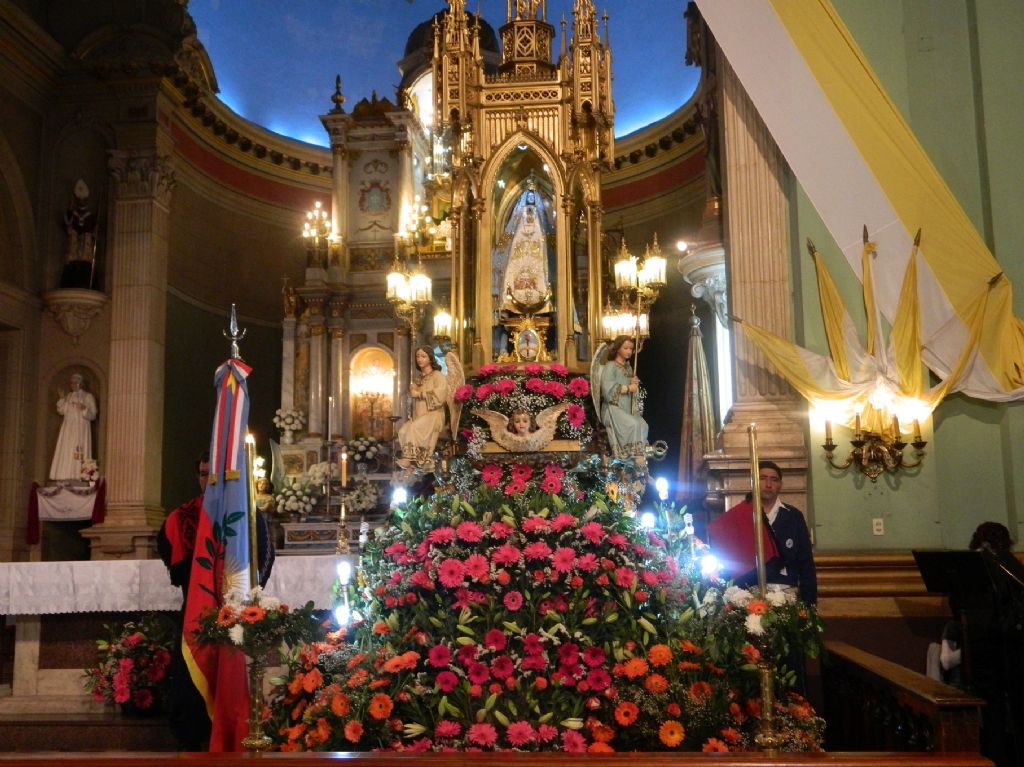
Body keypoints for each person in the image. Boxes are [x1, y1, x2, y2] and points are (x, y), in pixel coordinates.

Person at [157, 454, 276, 751]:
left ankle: (231, 733)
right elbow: (168, 551)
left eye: (212, 474)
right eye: (202, 474)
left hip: (237, 610)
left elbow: (264, 554)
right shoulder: (182, 516)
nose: (206, 480)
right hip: (195, 610)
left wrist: (245, 591)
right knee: (188, 680)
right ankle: (190, 738)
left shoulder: (247, 513)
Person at [599, 335, 649, 462]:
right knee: (634, 424)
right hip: (613, 408)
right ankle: (636, 458)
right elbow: (607, 390)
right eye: (625, 348)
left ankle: (639, 456)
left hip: (626, 408)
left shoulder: (628, 368)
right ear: (617, 349)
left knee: (643, 425)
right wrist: (628, 388)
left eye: (631, 349)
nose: (629, 351)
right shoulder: (610, 366)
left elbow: (633, 391)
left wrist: (634, 384)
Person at [397, 346, 447, 471]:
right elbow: (411, 400)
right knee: (403, 430)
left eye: (423, 356)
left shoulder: (438, 376)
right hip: (420, 415)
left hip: (434, 415)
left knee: (413, 428)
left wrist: (419, 394)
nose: (420, 359)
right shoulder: (419, 379)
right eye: (418, 356)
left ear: (430, 358)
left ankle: (413, 459)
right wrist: (411, 392)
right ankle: (414, 460)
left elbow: (440, 396)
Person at [49, 372, 98, 482]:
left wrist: (84, 409)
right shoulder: (69, 396)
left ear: (81, 383)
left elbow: (93, 415)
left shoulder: (88, 396)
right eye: (71, 383)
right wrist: (62, 399)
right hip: (68, 430)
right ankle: (64, 476)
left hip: (81, 429)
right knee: (67, 450)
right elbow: (61, 411)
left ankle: (84, 477)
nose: (73, 385)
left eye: (75, 382)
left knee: (82, 450)